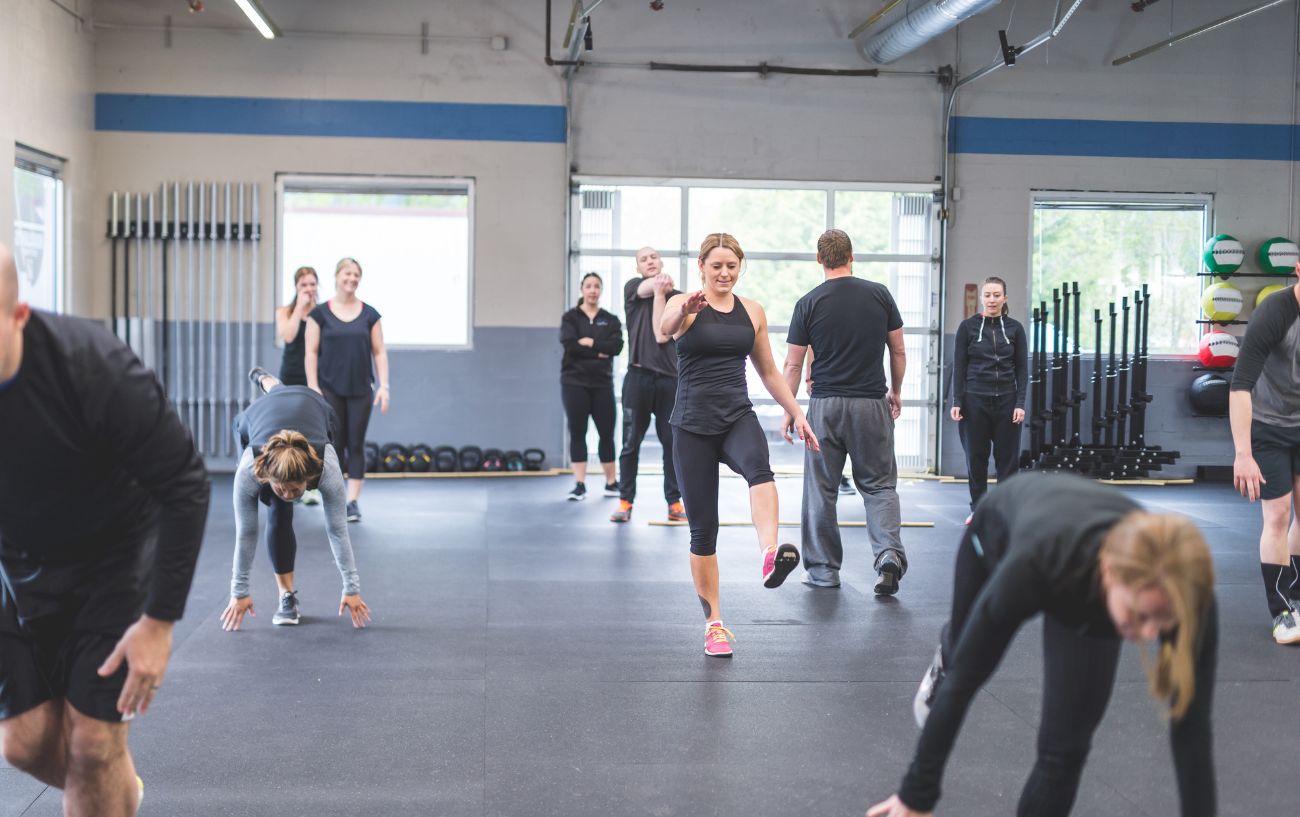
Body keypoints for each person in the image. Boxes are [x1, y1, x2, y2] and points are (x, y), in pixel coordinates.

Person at [0, 242, 211, 815]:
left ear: (20, 315)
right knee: (22, 744)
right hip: (14, 560)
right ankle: (117, 787)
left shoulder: (93, 368)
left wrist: (159, 622)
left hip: (112, 561)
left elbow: (185, 483)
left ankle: (105, 774)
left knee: (92, 745)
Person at [867, 472, 1218, 817]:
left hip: (1079, 572)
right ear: (1110, 572)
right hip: (996, 533)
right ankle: (950, 645)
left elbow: (1191, 723)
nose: (1148, 634)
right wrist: (917, 795)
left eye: (1163, 620)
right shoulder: (1038, 562)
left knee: (1065, 751)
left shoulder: (1188, 590)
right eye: (1141, 615)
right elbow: (962, 683)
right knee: (964, 658)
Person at [661, 233, 820, 657]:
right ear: (702, 267)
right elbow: (664, 329)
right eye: (716, 266)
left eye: (732, 265)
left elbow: (768, 370)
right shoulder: (685, 304)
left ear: (739, 267)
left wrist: (798, 412)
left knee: (759, 469)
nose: (725, 273)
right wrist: (683, 311)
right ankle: (713, 624)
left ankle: (769, 552)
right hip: (692, 425)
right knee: (703, 531)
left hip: (736, 415)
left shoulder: (752, 311)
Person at [782, 229, 908, 595]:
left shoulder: (808, 302)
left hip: (825, 407)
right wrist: (896, 391)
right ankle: (888, 556)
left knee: (821, 490)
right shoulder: (880, 295)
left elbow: (791, 366)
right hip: (871, 404)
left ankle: (823, 571)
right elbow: (898, 351)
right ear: (853, 256)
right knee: (880, 485)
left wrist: (791, 409)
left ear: (818, 260)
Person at [220, 367, 371, 631]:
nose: (290, 494)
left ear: (309, 478)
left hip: (315, 407)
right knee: (278, 511)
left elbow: (338, 531)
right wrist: (239, 592)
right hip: (257, 419)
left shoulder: (326, 466)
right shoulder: (251, 469)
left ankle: (272, 384)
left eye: (296, 489)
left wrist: (352, 587)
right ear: (268, 478)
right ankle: (286, 596)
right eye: (282, 488)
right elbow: (246, 533)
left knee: (282, 395)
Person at [1229, 265, 1300, 644]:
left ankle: (1299, 601)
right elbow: (1240, 387)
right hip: (1269, 425)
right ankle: (1281, 613)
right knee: (1277, 514)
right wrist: (1243, 454)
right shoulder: (1275, 313)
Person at [305, 257, 389, 524]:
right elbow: (311, 352)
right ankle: (335, 499)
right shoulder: (319, 314)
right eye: (347, 274)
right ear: (337, 276)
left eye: (356, 275)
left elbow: (380, 352)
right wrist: (313, 387)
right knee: (334, 446)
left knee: (356, 445)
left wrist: (384, 385)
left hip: (361, 390)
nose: (352, 279)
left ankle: (352, 502)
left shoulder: (369, 314)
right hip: (329, 390)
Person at [611, 247, 686, 523]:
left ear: (662, 262)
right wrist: (657, 289)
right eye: (644, 259)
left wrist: (662, 292)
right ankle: (625, 500)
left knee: (672, 444)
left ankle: (674, 503)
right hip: (638, 379)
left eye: (654, 257)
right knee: (630, 443)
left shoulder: (677, 298)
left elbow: (663, 336)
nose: (650, 261)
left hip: (669, 380)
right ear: (638, 269)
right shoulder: (633, 289)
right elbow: (648, 289)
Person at [950, 276, 1028, 524]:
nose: (992, 300)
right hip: (975, 403)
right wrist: (957, 401)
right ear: (981, 298)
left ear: (1004, 297)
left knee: (1007, 462)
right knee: (976, 459)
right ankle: (979, 509)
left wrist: (1020, 403)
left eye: (996, 295)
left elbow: (1022, 370)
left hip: (1007, 403)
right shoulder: (967, 328)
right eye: (987, 295)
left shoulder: (1015, 329)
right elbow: (959, 367)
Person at [560, 272, 624, 500]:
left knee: (607, 433)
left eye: (597, 286)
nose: (593, 290)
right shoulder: (570, 318)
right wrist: (599, 351)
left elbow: (616, 347)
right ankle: (579, 484)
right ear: (582, 289)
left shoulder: (611, 319)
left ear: (601, 290)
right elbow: (570, 345)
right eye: (588, 286)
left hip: (602, 384)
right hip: (574, 383)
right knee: (578, 432)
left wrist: (592, 343)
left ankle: (611, 482)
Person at [276, 265, 321, 505]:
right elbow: (289, 336)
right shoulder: (285, 311)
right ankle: (287, 480)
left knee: (311, 430)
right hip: (290, 375)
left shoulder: (322, 313)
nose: (309, 289)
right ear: (296, 287)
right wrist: (300, 309)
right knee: (289, 429)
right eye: (304, 285)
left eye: (313, 284)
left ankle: (311, 486)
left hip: (313, 376)